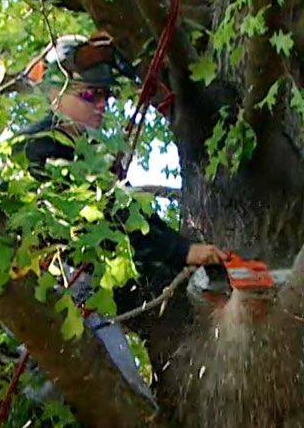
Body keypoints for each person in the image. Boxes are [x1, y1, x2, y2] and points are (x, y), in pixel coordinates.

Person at [13, 32, 227, 311]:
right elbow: (109, 211)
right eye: (89, 94)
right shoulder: (35, 148)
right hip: (50, 287)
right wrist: (182, 251)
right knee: (115, 355)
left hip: (85, 282)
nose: (101, 104)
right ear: (56, 94)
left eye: (106, 95)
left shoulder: (88, 152)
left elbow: (129, 211)